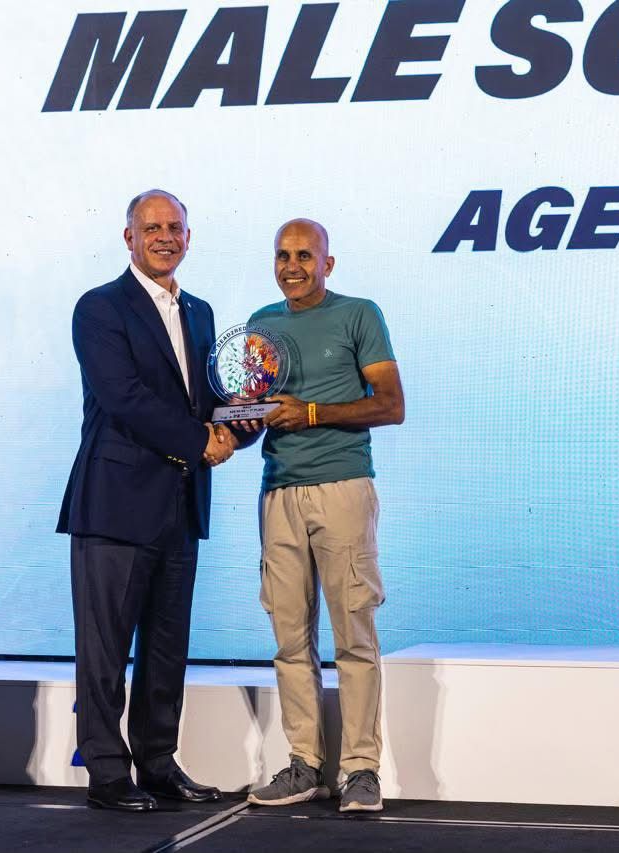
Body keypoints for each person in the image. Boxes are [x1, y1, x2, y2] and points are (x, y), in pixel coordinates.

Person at [58, 190, 241, 812]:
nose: (165, 236)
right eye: (153, 227)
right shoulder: (100, 307)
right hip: (115, 504)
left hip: (180, 505)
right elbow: (123, 397)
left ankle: (158, 765)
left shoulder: (201, 312)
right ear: (129, 237)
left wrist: (242, 423)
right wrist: (200, 441)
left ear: (189, 236)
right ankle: (108, 773)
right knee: (105, 650)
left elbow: (209, 398)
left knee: (166, 647)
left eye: (175, 227)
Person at [243, 219, 404, 814]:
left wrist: (310, 413)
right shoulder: (261, 323)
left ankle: (360, 769)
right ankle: (304, 764)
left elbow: (391, 404)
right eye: (283, 255)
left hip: (342, 488)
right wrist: (233, 423)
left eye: (305, 256)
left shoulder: (359, 314)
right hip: (278, 492)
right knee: (289, 638)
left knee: (354, 635)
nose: (292, 266)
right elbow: (256, 410)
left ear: (327, 264)